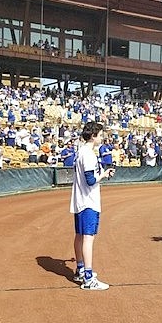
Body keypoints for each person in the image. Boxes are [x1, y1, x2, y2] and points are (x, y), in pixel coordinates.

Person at [70, 121, 115, 290]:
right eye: (100, 135)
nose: (102, 138)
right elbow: (90, 180)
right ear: (93, 135)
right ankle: (88, 279)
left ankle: (80, 270)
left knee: (80, 235)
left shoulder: (81, 152)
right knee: (88, 238)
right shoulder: (87, 154)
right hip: (88, 201)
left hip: (80, 201)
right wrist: (103, 174)